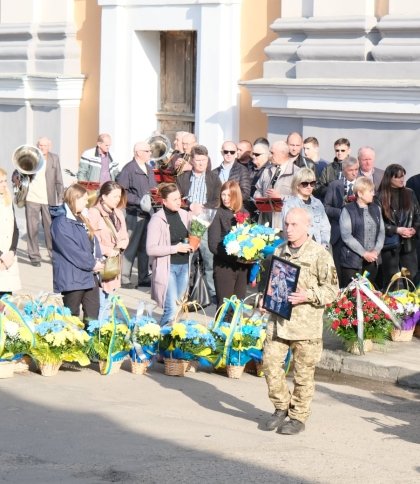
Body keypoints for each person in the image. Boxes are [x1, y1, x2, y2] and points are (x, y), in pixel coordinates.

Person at [261, 207, 338, 435]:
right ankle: (281, 406)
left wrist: (308, 295)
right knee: (269, 366)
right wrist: (265, 297)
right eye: (286, 224)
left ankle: (297, 417)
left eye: (294, 225)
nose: (289, 229)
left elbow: (332, 290)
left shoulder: (319, 255)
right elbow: (273, 280)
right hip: (278, 322)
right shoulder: (280, 250)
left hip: (306, 328)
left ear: (307, 226)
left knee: (303, 376)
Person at [50, 184, 104, 325]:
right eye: (85, 199)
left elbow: (92, 243)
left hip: (90, 276)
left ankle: (91, 345)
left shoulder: (81, 218)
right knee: (71, 318)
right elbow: (71, 250)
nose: (87, 203)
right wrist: (92, 264)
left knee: (92, 317)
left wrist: (99, 259)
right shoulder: (61, 222)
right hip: (72, 277)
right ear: (75, 198)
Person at [177, 145, 221, 300]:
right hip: (188, 219)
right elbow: (176, 198)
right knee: (188, 256)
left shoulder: (214, 178)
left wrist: (203, 207)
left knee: (208, 257)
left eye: (204, 160)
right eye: (198, 160)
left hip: (206, 221)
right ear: (192, 161)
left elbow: (217, 200)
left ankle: (211, 292)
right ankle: (184, 291)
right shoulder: (183, 177)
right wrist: (190, 206)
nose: (201, 163)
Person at [12, 137, 64, 266]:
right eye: (40, 145)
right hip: (31, 198)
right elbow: (17, 173)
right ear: (37, 146)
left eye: (45, 145)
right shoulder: (30, 157)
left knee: (50, 230)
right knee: (32, 228)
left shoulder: (54, 158)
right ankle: (34, 257)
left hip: (48, 199)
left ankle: (53, 256)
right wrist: (17, 181)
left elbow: (59, 179)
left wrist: (61, 197)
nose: (42, 148)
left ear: (50, 146)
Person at [146, 183, 193, 325]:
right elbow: (151, 249)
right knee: (171, 308)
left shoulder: (185, 215)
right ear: (164, 202)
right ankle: (161, 341)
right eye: (174, 199)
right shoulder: (157, 219)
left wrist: (194, 243)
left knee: (179, 307)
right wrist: (175, 248)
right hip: (168, 268)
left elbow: (193, 237)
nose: (179, 202)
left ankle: (172, 341)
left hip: (184, 266)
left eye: (179, 198)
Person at [117, 141, 157, 289]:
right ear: (138, 152)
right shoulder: (129, 169)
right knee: (131, 246)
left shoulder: (149, 168)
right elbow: (122, 192)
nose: (150, 153)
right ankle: (124, 277)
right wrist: (139, 201)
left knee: (144, 246)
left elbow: (153, 187)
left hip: (148, 213)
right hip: (134, 212)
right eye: (147, 151)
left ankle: (143, 277)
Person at [377, 164, 420, 288]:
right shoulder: (380, 197)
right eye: (398, 177)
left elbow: (417, 215)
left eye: (403, 177)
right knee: (392, 282)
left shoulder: (410, 193)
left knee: (411, 279)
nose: (402, 180)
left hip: (409, 245)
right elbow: (378, 223)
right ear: (390, 178)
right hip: (390, 246)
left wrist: (414, 229)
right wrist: (397, 230)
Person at [88, 181, 129, 312]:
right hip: (100, 265)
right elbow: (89, 239)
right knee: (100, 304)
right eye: (114, 196)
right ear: (104, 197)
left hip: (114, 265)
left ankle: (104, 328)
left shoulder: (119, 214)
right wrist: (107, 250)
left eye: (119, 196)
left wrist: (123, 244)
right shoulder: (94, 213)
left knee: (109, 304)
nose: (118, 200)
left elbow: (124, 235)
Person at [208, 181, 249, 307]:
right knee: (224, 306)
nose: (225, 198)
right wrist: (233, 256)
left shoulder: (245, 213)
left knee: (237, 306)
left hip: (242, 267)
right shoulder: (218, 213)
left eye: (229, 195)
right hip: (224, 266)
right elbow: (213, 245)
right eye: (223, 195)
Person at [339, 177, 385, 287]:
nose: (373, 194)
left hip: (372, 261)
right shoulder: (348, 209)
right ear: (360, 193)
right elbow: (346, 236)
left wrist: (376, 251)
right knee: (352, 296)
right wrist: (364, 253)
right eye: (370, 191)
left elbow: (382, 232)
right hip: (352, 262)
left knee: (370, 295)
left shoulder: (376, 208)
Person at [324, 158, 360, 286]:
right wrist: (341, 213)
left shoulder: (362, 185)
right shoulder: (335, 185)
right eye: (351, 170)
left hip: (357, 234)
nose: (354, 173)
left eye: (356, 169)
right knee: (338, 271)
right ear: (344, 170)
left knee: (353, 273)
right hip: (338, 234)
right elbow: (326, 207)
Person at [254, 140, 300, 230]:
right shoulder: (267, 170)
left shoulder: (296, 172)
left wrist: (280, 197)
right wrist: (260, 200)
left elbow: (300, 199)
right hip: (265, 221)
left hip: (283, 223)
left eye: (272, 153)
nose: (269, 156)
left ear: (282, 154)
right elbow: (258, 189)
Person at [282, 168, 330, 249]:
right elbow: (287, 230)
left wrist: (324, 243)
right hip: (298, 249)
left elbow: (325, 226)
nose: (309, 187)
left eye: (312, 183)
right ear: (297, 185)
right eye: (305, 184)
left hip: (319, 248)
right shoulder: (289, 204)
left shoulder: (318, 203)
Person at [0, 168, 21, 297]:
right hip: (2, 258)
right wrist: (1, 256)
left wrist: (12, 252)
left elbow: (15, 230)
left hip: (8, 258)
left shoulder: (7, 201)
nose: (4, 184)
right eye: (0, 181)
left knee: (5, 302)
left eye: (5, 181)